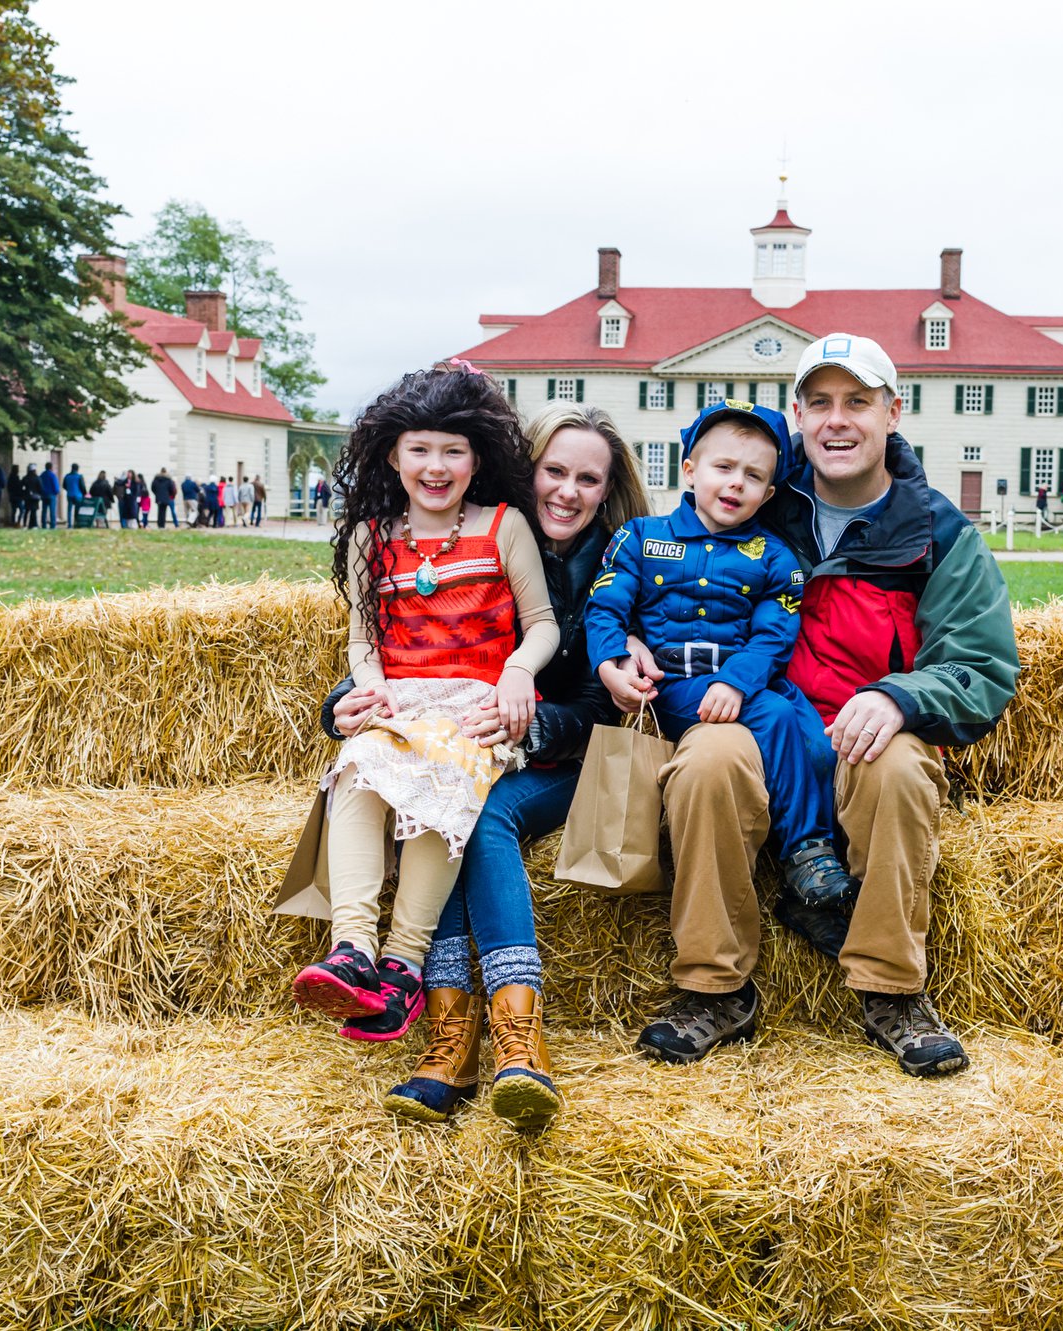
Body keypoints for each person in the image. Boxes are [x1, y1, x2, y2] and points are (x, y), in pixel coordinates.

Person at [627, 333, 1019, 1078]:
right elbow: (666, 580)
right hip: (754, 719)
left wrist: (901, 694)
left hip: (861, 730)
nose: (838, 421)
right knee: (706, 759)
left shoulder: (936, 531)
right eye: (821, 403)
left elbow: (982, 667)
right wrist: (628, 646)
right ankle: (714, 987)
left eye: (858, 402)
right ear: (798, 416)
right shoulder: (757, 500)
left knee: (899, 768)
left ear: (892, 412)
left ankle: (892, 991)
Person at [326, 400, 651, 1130]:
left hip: (577, 753)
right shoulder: (489, 537)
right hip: (475, 738)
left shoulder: (626, 563)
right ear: (524, 469)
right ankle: (447, 1035)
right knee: (448, 789)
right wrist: (342, 706)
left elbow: (609, 705)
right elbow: (404, 649)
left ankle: (514, 1040)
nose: (567, 491)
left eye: (588, 479)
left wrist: (528, 721)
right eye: (554, 470)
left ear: (610, 488)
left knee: (484, 809)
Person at [283, 362, 559, 1110]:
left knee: (444, 779)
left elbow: (541, 626)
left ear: (478, 459)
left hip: (475, 699)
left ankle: (404, 966)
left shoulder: (505, 529)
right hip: (402, 696)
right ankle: (353, 949)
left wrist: (518, 675)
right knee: (360, 765)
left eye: (453, 451)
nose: (436, 468)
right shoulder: (374, 540)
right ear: (391, 458)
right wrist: (367, 686)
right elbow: (362, 640)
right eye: (420, 451)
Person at [588, 399, 856, 908]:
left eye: (754, 476)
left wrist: (735, 680)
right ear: (689, 470)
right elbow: (605, 606)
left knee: (817, 744)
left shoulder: (774, 557)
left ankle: (819, 851)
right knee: (775, 715)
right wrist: (610, 660)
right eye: (724, 467)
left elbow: (774, 635)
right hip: (669, 689)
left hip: (744, 681)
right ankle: (807, 852)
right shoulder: (640, 539)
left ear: (769, 493)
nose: (736, 483)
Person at [39, 462, 60, 529]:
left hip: (44, 495)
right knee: (52, 511)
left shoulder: (42, 475)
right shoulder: (53, 475)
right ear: (51, 467)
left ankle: (43, 525)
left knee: (44, 510)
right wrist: (56, 492)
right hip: (51, 495)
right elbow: (56, 487)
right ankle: (52, 525)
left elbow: (39, 485)